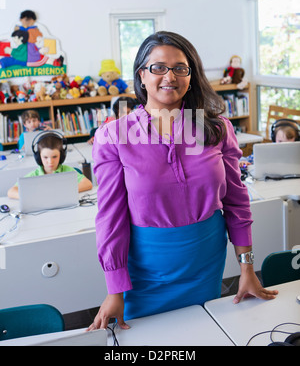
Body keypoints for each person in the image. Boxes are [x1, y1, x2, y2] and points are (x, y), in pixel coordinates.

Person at [88, 31, 278, 331]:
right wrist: (114, 289)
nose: (170, 76)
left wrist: (247, 269)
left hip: (206, 260)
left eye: (180, 68)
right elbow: (110, 218)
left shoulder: (217, 129)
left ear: (191, 76)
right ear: (142, 74)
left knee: (203, 334)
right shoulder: (113, 136)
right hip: (147, 269)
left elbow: (237, 203)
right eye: (158, 67)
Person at [7, 131, 93, 199]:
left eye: (54, 157)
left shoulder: (67, 171)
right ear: (39, 157)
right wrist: (32, 196)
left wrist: (61, 192)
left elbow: (88, 184)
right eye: (45, 157)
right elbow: (11, 191)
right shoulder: (34, 175)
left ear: (61, 155)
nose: (50, 161)